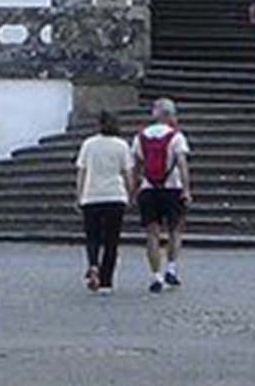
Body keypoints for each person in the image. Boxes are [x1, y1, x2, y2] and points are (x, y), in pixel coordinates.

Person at [132, 97, 191, 292]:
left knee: (152, 233)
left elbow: (136, 166)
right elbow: (182, 163)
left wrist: (134, 189)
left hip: (148, 188)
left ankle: (156, 276)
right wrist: (186, 189)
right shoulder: (176, 136)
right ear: (169, 115)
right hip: (172, 187)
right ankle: (171, 269)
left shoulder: (140, 137)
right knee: (175, 230)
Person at [74, 109, 133, 293]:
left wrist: (79, 195)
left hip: (91, 196)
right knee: (111, 241)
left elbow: (82, 172)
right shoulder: (121, 145)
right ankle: (106, 281)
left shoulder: (88, 144)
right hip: (115, 196)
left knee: (92, 237)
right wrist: (130, 193)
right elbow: (127, 173)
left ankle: (93, 264)